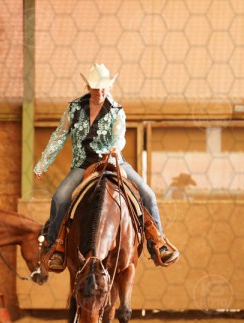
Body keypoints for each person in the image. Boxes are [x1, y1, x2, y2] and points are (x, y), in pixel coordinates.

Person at [34, 64, 179, 269]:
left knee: (148, 194)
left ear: (109, 87)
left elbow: (119, 136)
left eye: (103, 88)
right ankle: (55, 247)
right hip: (82, 164)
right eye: (96, 88)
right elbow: (59, 136)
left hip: (112, 160)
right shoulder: (74, 109)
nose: (100, 92)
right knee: (60, 198)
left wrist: (115, 148)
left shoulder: (116, 110)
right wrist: (43, 163)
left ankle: (157, 242)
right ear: (88, 87)